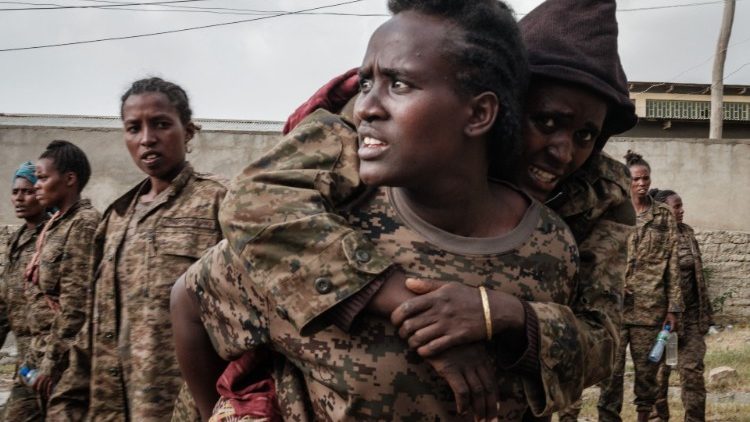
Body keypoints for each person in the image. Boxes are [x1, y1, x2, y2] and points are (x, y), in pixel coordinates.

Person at [172, 0, 608, 420]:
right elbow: (190, 300)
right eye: (366, 84)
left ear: (479, 113)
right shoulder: (314, 230)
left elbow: (593, 352)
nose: (366, 106)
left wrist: (507, 318)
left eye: (399, 85)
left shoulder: (552, 246)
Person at [47, 78, 227, 421]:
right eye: (134, 128)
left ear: (188, 132)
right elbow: (94, 324)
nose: (147, 138)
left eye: (161, 124)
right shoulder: (115, 218)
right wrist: (68, 401)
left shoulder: (220, 201)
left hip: (183, 409)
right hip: (109, 408)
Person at [598, 151, 682, 422]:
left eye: (646, 178)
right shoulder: (612, 211)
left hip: (650, 309)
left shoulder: (663, 216)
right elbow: (599, 256)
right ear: (627, 180)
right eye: (636, 179)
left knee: (647, 373)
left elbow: (673, 263)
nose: (642, 183)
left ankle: (644, 417)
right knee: (610, 374)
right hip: (614, 309)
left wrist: (674, 308)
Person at [22, 140, 101, 414]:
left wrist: (50, 363)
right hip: (45, 352)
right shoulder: (56, 225)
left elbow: (75, 306)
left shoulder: (83, 224)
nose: (36, 186)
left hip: (68, 361)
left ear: (69, 179)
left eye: (43, 178)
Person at [650, 188, 713, 422]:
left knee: (692, 373)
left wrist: (705, 314)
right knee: (657, 377)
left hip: (691, 317)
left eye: (681, 205)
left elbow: (698, 278)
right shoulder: (651, 237)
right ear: (663, 210)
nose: (682, 210)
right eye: (676, 206)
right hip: (661, 321)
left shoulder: (687, 233)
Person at [0, 162, 49, 421]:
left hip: (46, 356)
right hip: (24, 359)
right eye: (15, 192)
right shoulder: (16, 240)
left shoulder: (52, 236)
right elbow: (4, 300)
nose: (19, 198)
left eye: (27, 192)